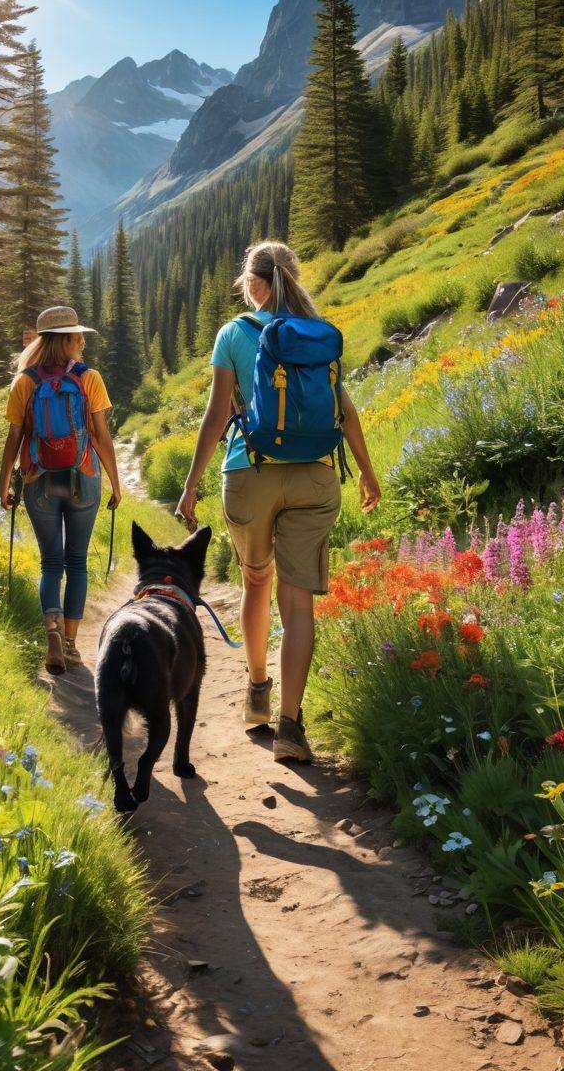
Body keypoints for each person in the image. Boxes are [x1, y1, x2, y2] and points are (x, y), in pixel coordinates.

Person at [176, 241, 381, 763]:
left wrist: (191, 483)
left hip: (251, 473)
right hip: (315, 476)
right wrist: (368, 473)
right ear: (292, 278)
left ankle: (258, 691)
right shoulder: (318, 332)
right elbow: (345, 410)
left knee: (256, 581)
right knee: (298, 601)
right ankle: (291, 726)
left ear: (253, 283)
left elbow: (217, 415)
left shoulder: (234, 334)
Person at [0, 305, 121, 674]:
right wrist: (116, 484)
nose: (82, 341)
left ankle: (51, 632)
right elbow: (101, 437)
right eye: (76, 335)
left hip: (38, 479)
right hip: (83, 475)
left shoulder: (25, 382)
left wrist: (4, 485)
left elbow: (13, 438)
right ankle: (69, 644)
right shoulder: (90, 379)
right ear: (62, 340)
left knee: (51, 562)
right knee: (77, 562)